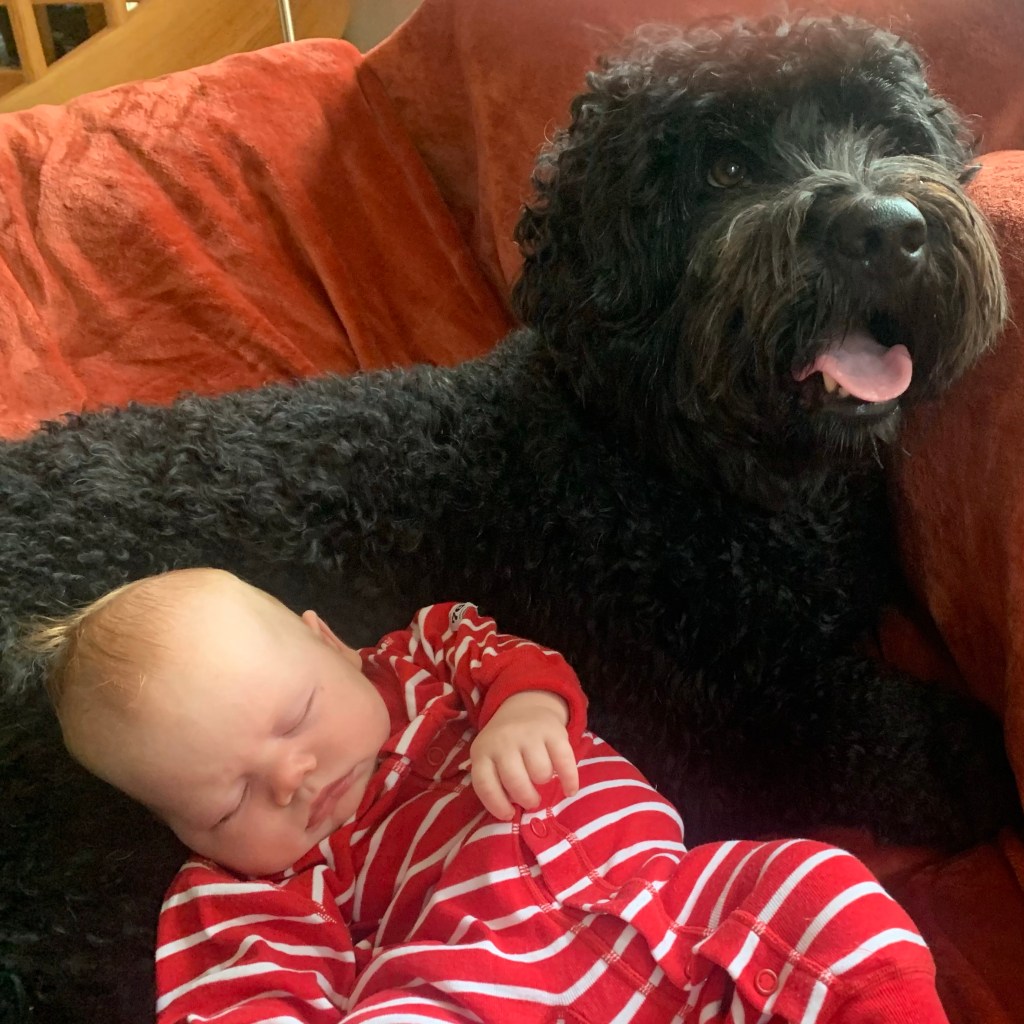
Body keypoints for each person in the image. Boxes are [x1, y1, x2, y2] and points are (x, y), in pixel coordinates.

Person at [29, 568, 949, 1024]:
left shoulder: (427, 656)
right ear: (180, 829)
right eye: (228, 804)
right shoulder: (245, 886)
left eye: (297, 716)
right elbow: (248, 997)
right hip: (483, 990)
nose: (291, 779)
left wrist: (523, 713)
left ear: (328, 641)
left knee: (816, 884)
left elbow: (517, 660)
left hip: (675, 914)